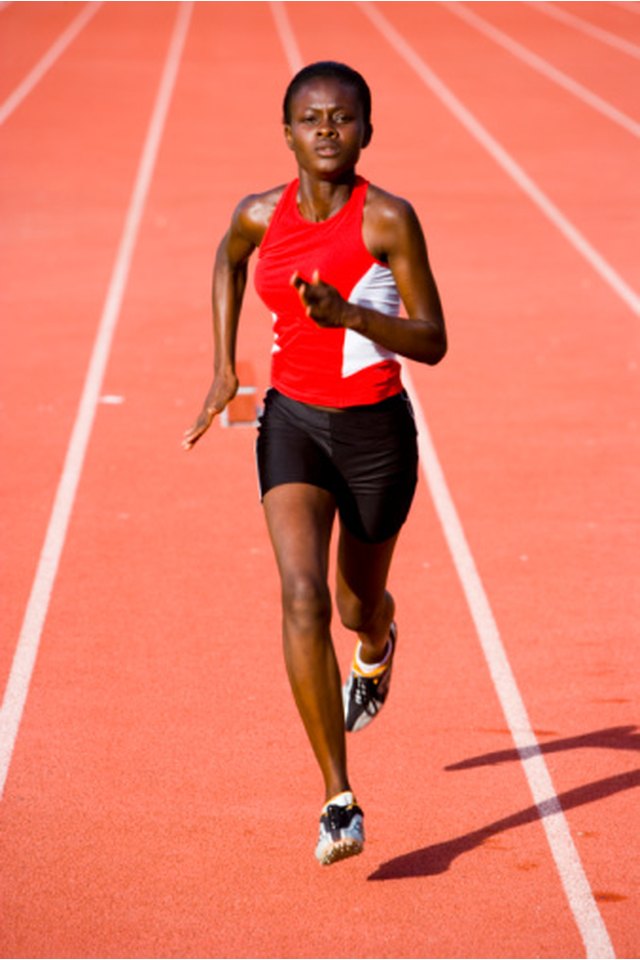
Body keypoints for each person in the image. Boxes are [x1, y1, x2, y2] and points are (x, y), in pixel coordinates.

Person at [183, 61, 447, 866]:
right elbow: (226, 261)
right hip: (292, 423)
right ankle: (339, 798)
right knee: (299, 595)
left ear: (367, 131)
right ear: (287, 131)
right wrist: (225, 368)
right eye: (311, 117)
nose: (326, 129)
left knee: (352, 605)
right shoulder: (258, 214)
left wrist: (351, 314)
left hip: (375, 438)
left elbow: (433, 340)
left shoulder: (390, 221)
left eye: (342, 117)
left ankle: (378, 643)